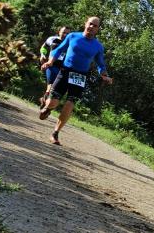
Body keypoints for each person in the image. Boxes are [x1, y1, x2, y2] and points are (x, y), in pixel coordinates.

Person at [39, 16, 113, 145]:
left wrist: (104, 75)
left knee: (69, 104)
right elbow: (59, 49)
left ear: (97, 29)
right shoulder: (72, 36)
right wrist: (50, 62)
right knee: (53, 102)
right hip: (65, 71)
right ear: (85, 24)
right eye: (90, 24)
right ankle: (48, 107)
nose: (92, 27)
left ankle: (55, 133)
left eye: (95, 26)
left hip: (80, 77)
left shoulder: (98, 46)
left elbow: (101, 64)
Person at [39, 26, 70, 106]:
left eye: (67, 33)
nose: (65, 35)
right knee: (50, 85)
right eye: (64, 32)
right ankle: (46, 102)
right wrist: (42, 55)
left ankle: (46, 101)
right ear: (59, 32)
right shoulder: (52, 39)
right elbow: (44, 47)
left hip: (63, 69)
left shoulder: (70, 44)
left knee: (55, 89)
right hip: (51, 66)